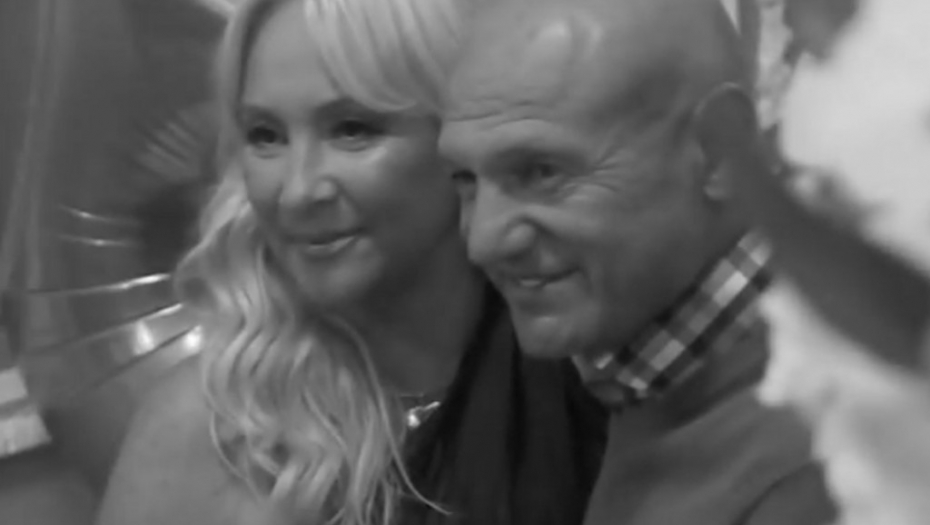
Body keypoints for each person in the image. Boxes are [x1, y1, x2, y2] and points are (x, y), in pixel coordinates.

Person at [94, 0, 605, 524]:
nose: (297, 191)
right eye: (266, 136)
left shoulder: (591, 375)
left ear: (459, 139)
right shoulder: (207, 428)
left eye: (351, 129)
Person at [438, 0, 836, 523]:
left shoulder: (836, 460)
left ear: (720, 152)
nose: (483, 240)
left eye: (540, 172)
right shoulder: (649, 377)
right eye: (466, 180)